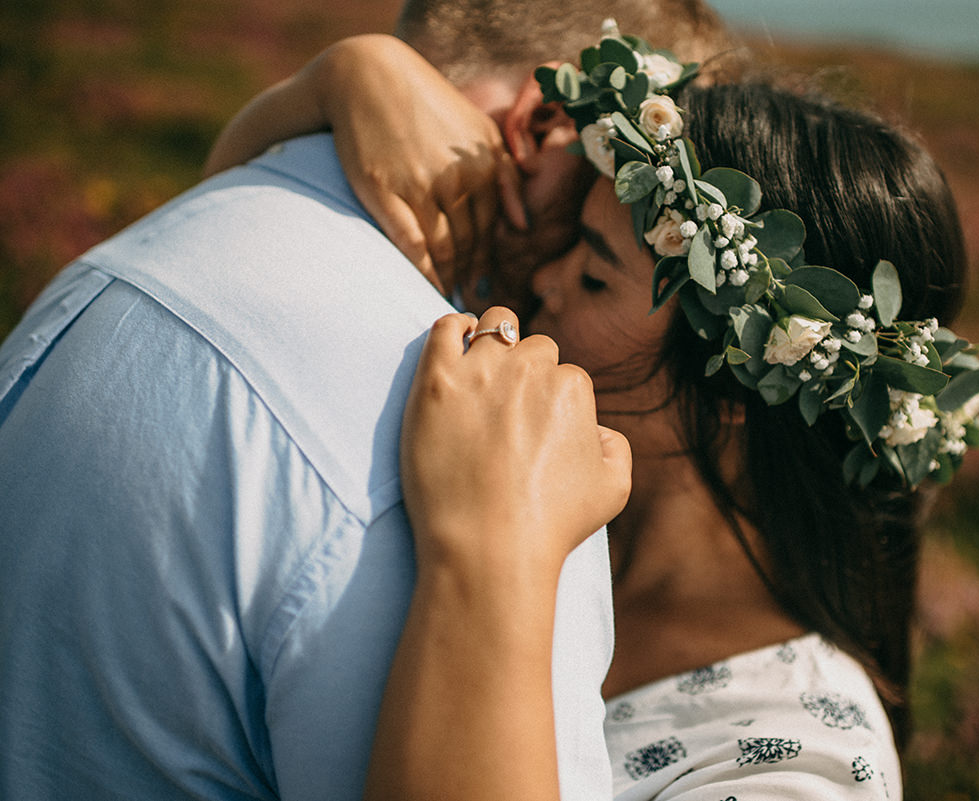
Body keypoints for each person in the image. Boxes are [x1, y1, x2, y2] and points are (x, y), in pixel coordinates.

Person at [0, 4, 728, 800]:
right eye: (641, 177)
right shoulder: (503, 472)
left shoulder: (124, 258)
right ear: (546, 122)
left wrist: (333, 75)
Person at [270, 34, 979, 800]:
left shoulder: (798, 761)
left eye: (590, 273)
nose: (539, 283)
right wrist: (345, 74)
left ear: (737, 384)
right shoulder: (539, 453)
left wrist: (485, 546)